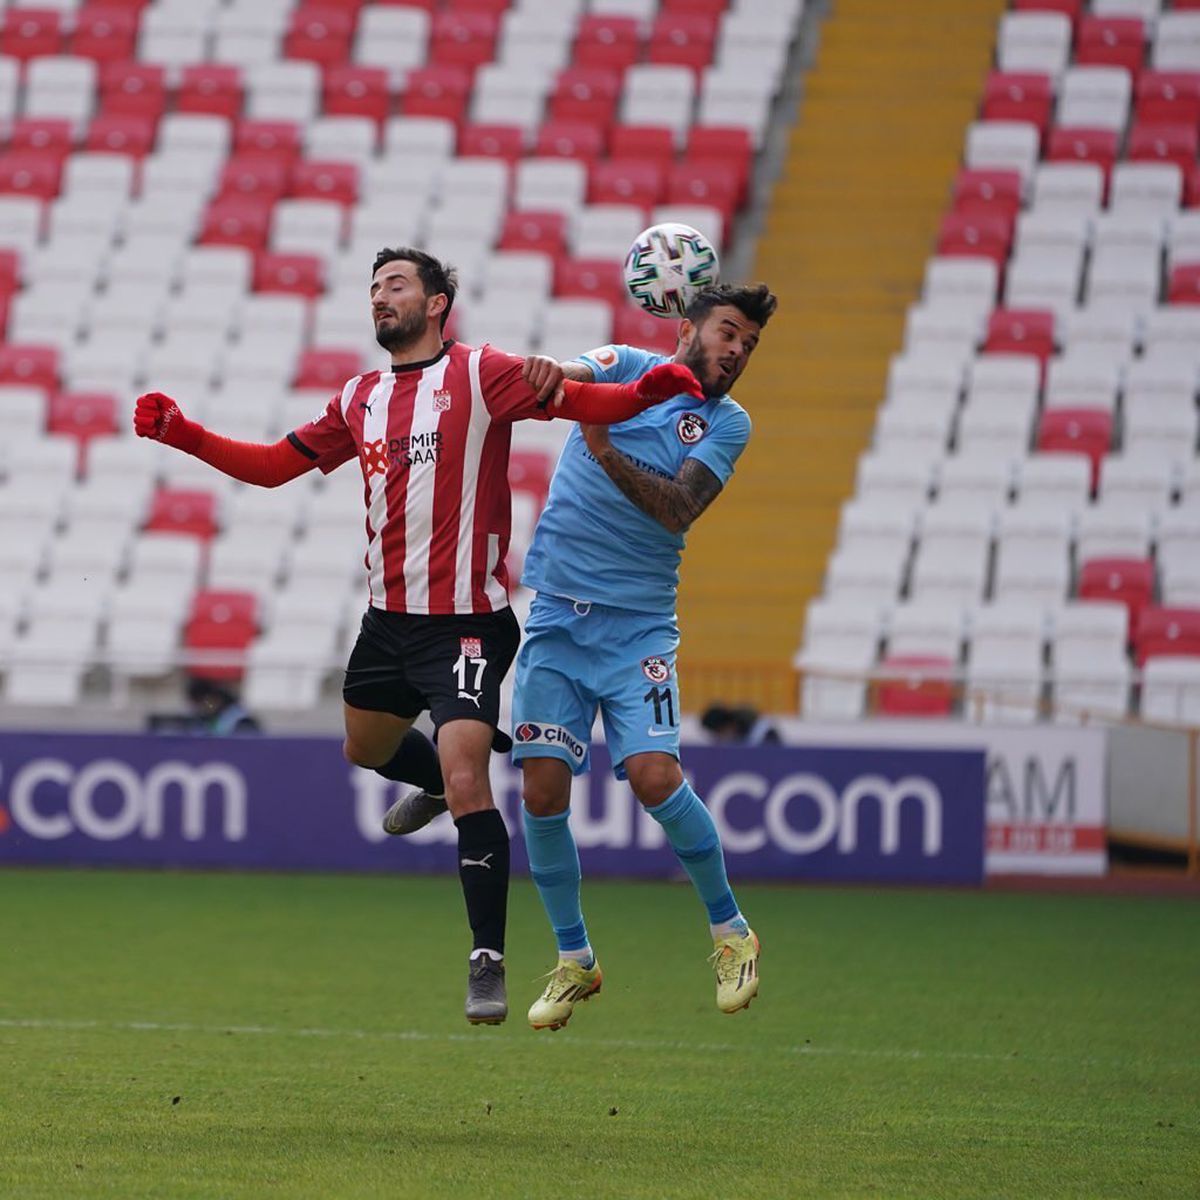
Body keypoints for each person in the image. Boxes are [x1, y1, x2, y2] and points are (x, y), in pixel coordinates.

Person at [133, 245, 703, 1026]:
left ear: (436, 303)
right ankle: (431, 780)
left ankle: (487, 960)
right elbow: (271, 467)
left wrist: (649, 389)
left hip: (466, 625)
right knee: (364, 747)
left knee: (470, 777)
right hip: (388, 621)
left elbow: (580, 401)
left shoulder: (481, 373)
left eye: (396, 285)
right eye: (374, 287)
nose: (380, 297)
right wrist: (183, 434)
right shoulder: (359, 397)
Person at [385, 281, 778, 1031]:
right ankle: (576, 960)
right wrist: (549, 373)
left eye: (750, 344)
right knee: (540, 793)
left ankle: (732, 932)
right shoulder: (625, 362)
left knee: (655, 776)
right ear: (687, 329)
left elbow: (678, 508)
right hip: (559, 619)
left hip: (638, 629)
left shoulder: (728, 423)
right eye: (729, 332)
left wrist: (601, 448)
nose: (738, 351)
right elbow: (571, 375)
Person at [700, 702, 781, 746]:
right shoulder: (734, 738)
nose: (720, 739)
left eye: (719, 733)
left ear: (728, 726)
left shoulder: (764, 732)